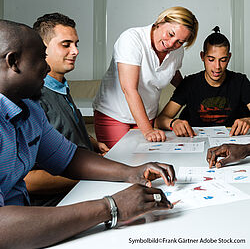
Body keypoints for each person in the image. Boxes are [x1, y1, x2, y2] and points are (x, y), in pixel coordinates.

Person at [0, 20, 177, 248]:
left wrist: (133, 172)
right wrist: (111, 207)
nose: (46, 67)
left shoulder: (30, 108)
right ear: (13, 62)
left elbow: (69, 158)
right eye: (39, 59)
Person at [24, 13, 109, 206]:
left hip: (85, 189)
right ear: (41, 48)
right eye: (66, 44)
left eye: (76, 44)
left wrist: (93, 143)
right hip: (55, 204)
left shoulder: (60, 86)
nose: (76, 51)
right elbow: (28, 181)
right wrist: (92, 174)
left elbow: (65, 128)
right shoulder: (32, 98)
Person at [93, 6, 198, 148]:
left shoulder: (177, 51)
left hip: (148, 115)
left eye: (180, 41)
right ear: (160, 22)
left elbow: (172, 73)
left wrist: (194, 94)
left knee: (148, 165)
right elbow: (129, 89)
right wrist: (148, 131)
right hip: (115, 115)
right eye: (170, 34)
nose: (171, 43)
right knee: (122, 165)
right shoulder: (131, 39)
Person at [155, 26, 250, 137]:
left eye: (223, 60)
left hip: (231, 142)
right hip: (195, 141)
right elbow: (159, 120)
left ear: (229, 58)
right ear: (202, 56)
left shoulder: (240, 81)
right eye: (211, 59)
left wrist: (248, 121)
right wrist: (173, 123)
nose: (217, 66)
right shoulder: (189, 83)